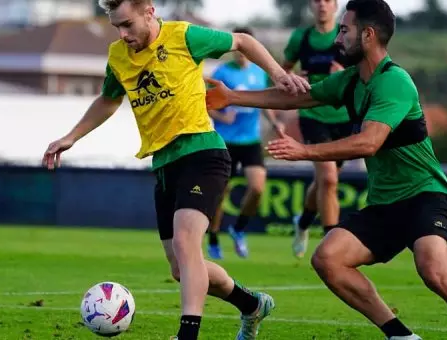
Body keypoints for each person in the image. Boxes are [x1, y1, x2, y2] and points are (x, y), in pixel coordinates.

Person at [204, 0, 447, 339]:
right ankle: (400, 334)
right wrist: (232, 97)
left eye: (345, 30)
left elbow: (368, 143)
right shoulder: (350, 81)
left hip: (426, 196)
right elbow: (298, 99)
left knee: (434, 270)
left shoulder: (394, 82)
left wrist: (304, 151)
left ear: (368, 35)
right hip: (384, 204)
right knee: (328, 259)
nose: (337, 38)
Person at [41, 1, 309, 339]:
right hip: (164, 164)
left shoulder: (183, 36)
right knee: (182, 269)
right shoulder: (118, 56)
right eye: (116, 27)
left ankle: (187, 334)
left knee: (187, 243)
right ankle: (252, 305)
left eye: (127, 24)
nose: (123, 34)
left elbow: (242, 41)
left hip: (203, 153)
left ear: (149, 11)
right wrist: (71, 137)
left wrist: (281, 75)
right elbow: (109, 100)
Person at [282, 0, 353, 259]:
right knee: (329, 179)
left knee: (324, 181)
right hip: (312, 114)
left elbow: (366, 72)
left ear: (335, 6)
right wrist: (291, 79)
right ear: (311, 6)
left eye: (327, 0)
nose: (322, 5)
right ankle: (331, 245)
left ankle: (302, 223)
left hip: (345, 117)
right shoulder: (300, 38)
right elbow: (281, 72)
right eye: (317, 0)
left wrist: (345, 73)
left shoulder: (347, 36)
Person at [206, 27, 284, 260]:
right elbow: (204, 103)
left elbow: (264, 101)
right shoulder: (221, 72)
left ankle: (238, 228)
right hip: (225, 141)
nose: (240, 53)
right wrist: (222, 116)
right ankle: (213, 238)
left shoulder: (259, 73)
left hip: (250, 140)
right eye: (236, 50)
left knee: (258, 188)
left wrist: (274, 122)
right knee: (220, 194)